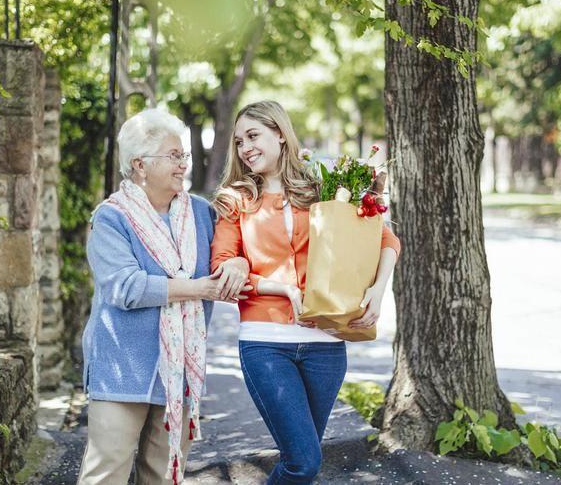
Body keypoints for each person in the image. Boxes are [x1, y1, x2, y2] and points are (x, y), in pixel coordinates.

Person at [211, 101, 401, 484]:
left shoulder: (323, 188)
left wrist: (379, 292)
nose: (245, 148)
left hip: (326, 344)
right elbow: (223, 268)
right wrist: (281, 288)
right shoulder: (236, 200)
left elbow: (384, 238)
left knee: (302, 460)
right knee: (304, 462)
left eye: (253, 136)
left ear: (280, 133)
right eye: (239, 142)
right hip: (266, 343)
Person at [78, 108, 237, 484]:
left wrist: (239, 266)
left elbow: (233, 248)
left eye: (183, 156)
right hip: (122, 370)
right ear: (139, 165)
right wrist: (197, 289)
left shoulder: (201, 213)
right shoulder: (111, 218)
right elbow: (125, 286)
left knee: (165, 476)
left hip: (177, 371)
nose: (183, 164)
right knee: (106, 475)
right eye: (174, 156)